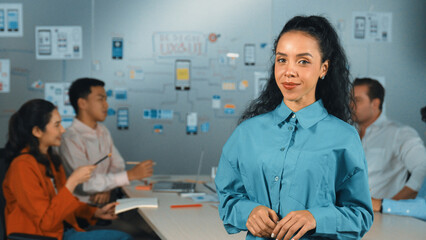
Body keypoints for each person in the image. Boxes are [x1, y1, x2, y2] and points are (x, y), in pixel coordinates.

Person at [215, 15, 373, 240]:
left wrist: (315, 218)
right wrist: (249, 212)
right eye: (282, 60)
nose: (289, 71)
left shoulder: (344, 137)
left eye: (303, 61)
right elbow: (228, 199)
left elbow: (360, 215)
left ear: (323, 68)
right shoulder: (246, 133)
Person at [2, 99, 132, 240]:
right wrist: (72, 182)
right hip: (45, 236)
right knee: (122, 238)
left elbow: (62, 204)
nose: (63, 130)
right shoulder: (22, 167)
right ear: (37, 131)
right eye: (57, 125)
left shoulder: (51, 160)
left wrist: (95, 212)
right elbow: (47, 223)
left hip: (64, 231)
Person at [58, 78, 154, 205]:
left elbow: (118, 165)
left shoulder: (103, 131)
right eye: (100, 99)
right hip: (83, 210)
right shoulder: (70, 138)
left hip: (106, 204)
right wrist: (129, 175)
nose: (106, 105)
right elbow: (84, 184)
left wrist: (106, 187)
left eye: (105, 99)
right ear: (82, 103)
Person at [352, 78, 426, 212]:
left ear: (375, 103)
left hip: (381, 219)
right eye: (349, 99)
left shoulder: (399, 133)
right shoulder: (347, 134)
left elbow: (422, 168)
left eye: (357, 100)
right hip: (346, 215)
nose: (350, 105)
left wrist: (388, 205)